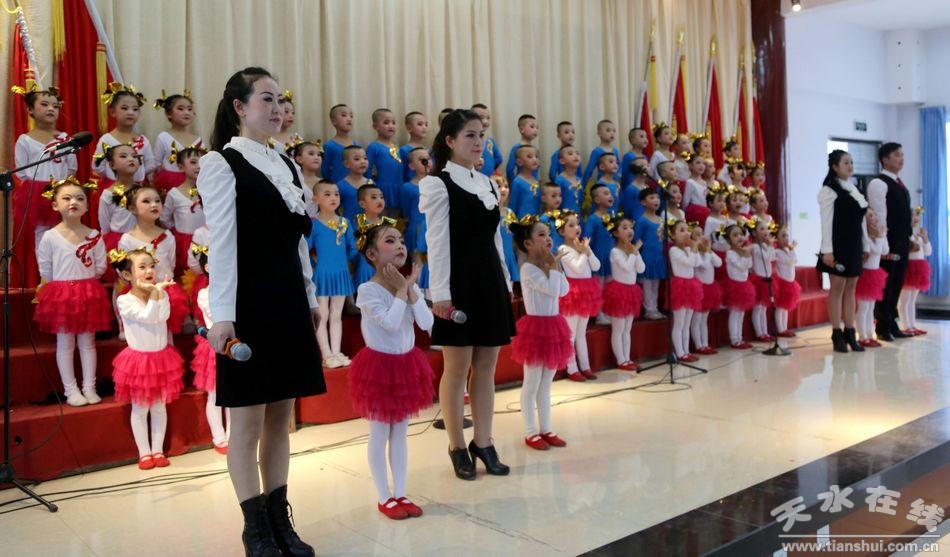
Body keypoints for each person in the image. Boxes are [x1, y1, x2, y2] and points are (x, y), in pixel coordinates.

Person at [198, 67, 324, 557]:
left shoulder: (287, 165)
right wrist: (222, 317)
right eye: (266, 99)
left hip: (288, 301)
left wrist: (309, 298)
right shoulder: (221, 163)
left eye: (280, 100)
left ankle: (279, 520)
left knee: (280, 419)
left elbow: (297, 244)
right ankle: (255, 529)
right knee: (248, 422)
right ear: (239, 107)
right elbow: (223, 245)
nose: (277, 108)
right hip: (248, 304)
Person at [419, 109, 515, 481]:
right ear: (450, 141)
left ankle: (484, 442)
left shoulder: (487, 182)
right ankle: (457, 445)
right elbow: (436, 242)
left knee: (487, 368)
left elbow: (496, 238)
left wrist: (505, 280)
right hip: (458, 282)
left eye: (481, 136)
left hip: (489, 280)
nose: (478, 143)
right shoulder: (437, 183)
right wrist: (440, 294)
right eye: (469, 136)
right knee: (457, 369)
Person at [349, 223, 434, 519]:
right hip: (379, 368)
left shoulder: (408, 286)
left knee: (400, 432)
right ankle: (384, 497)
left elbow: (426, 323)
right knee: (380, 432)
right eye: (390, 241)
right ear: (372, 254)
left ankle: (401, 492)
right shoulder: (367, 290)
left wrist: (410, 291)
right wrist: (401, 291)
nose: (400, 245)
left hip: (406, 365)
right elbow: (389, 323)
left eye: (401, 240)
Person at [34, 178, 110, 406]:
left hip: (88, 292)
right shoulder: (50, 236)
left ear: (87, 206)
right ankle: (71, 390)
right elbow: (46, 269)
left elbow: (100, 267)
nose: (73, 202)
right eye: (66, 198)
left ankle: (89, 387)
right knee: (65, 343)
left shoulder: (94, 235)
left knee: (88, 342)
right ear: (55, 204)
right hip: (61, 294)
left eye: (79, 198)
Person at [110, 247, 184, 470]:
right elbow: (148, 317)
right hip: (139, 363)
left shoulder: (160, 293)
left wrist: (159, 294)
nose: (150, 271)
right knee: (141, 408)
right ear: (127, 274)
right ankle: (144, 453)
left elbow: (163, 315)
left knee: (159, 407)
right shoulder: (125, 300)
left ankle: (158, 450)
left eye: (152, 266)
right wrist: (155, 294)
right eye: (142, 267)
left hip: (161, 359)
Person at [509, 218, 573, 451]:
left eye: (548, 234)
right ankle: (530, 432)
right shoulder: (527, 269)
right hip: (535, 330)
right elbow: (552, 289)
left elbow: (563, 290)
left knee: (546, 383)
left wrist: (555, 266)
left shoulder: (551, 265)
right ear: (528, 243)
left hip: (554, 327)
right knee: (532, 383)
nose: (548, 239)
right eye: (541, 235)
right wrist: (554, 266)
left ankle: (546, 429)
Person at [13, 81, 77, 286]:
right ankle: (47, 280)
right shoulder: (25, 140)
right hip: (36, 194)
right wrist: (40, 187)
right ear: (30, 110)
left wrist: (61, 187)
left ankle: (65, 277)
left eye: (55, 106)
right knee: (42, 236)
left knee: (65, 234)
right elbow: (22, 170)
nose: (51, 109)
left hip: (62, 191)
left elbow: (71, 167)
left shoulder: (65, 139)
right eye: (44, 104)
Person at [816, 150, 868, 353]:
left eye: (852, 162)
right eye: (846, 162)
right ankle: (836, 333)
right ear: (835, 167)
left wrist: (865, 245)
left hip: (854, 245)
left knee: (851, 288)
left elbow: (861, 221)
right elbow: (826, 223)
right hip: (837, 245)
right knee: (837, 288)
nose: (850, 166)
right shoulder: (829, 190)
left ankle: (850, 332)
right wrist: (827, 251)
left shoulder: (854, 188)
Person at [866, 143, 913, 341]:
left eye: (902, 155)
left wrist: (910, 237)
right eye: (896, 155)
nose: (901, 158)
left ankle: (892, 322)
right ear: (885, 159)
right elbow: (879, 215)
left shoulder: (900, 183)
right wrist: (883, 244)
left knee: (897, 283)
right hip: (888, 242)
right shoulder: (879, 183)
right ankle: (882, 325)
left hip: (902, 241)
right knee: (887, 284)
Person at [602, 215, 644, 371]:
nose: (629, 230)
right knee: (618, 329)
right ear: (616, 233)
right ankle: (621, 360)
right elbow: (626, 267)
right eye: (624, 228)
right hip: (619, 292)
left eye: (631, 227)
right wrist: (634, 253)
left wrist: (635, 253)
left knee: (627, 329)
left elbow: (641, 269)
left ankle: (627, 358)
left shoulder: (633, 250)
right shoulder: (615, 251)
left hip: (632, 292)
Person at [152, 90, 202, 192]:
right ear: (169, 113)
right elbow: (156, 164)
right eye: (180, 109)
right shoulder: (163, 137)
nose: (186, 112)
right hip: (169, 183)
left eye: (189, 109)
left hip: (194, 182)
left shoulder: (198, 139)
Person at [899, 208, 932, 335]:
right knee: (905, 299)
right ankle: (905, 325)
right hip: (909, 268)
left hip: (919, 268)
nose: (915, 218)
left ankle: (912, 325)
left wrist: (925, 239)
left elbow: (928, 252)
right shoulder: (905, 234)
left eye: (916, 216)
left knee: (913, 299)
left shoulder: (918, 235)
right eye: (912, 216)